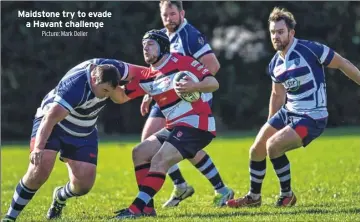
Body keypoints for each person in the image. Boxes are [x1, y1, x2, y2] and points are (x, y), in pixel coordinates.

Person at [226, 7, 360, 208]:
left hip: (312, 117)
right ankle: (254, 198)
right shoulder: (275, 63)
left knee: (273, 146)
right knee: (256, 149)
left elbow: (342, 63)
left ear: (291, 32)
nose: (276, 36)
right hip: (288, 112)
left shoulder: (310, 50)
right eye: (272, 32)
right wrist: (271, 124)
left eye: (280, 32)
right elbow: (277, 94)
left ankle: (287, 195)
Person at [1, 59, 146, 222]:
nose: (106, 95)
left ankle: (59, 197)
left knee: (83, 185)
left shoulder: (114, 70)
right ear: (93, 79)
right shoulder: (75, 87)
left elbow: (144, 76)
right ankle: (10, 217)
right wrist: (38, 148)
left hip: (84, 129)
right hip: (55, 124)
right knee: (39, 169)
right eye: (104, 90)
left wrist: (149, 90)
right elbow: (49, 119)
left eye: (109, 91)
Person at [112, 29, 220, 219]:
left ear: (163, 47)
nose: (145, 48)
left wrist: (195, 86)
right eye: (143, 45)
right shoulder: (146, 76)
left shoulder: (182, 61)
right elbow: (120, 97)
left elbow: (213, 83)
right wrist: (102, 84)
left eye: (150, 44)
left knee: (159, 160)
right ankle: (147, 209)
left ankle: (135, 209)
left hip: (197, 124)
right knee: (139, 152)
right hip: (175, 126)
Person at [140, 0, 233, 208]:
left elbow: (212, 65)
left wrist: (196, 87)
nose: (168, 19)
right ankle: (203, 187)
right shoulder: (163, 36)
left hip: (186, 98)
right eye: (165, 15)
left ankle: (201, 187)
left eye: (172, 14)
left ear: (182, 13)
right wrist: (151, 92)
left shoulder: (190, 35)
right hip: (165, 96)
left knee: (175, 143)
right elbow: (160, 68)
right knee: (168, 144)